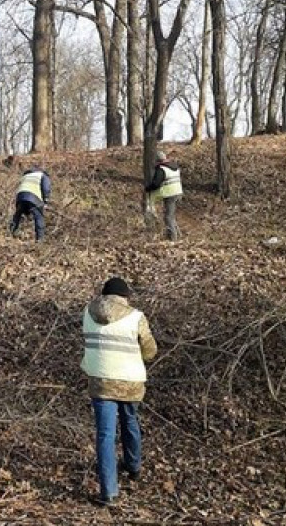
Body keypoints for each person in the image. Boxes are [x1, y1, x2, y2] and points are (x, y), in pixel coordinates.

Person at [80, 277, 158, 507]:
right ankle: (133, 467)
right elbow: (151, 350)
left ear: (104, 295)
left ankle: (109, 493)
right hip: (130, 382)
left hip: (101, 381)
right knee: (129, 421)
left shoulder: (88, 312)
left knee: (105, 434)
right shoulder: (136, 316)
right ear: (125, 297)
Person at [145, 150, 183, 240]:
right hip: (178, 192)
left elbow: (156, 184)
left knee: (168, 217)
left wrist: (148, 188)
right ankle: (178, 235)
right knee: (171, 215)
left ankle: (173, 239)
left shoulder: (161, 169)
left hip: (170, 194)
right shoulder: (175, 167)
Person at [9, 167, 51, 242]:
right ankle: (40, 239)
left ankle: (11, 233)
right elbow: (46, 188)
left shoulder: (25, 176)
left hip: (20, 196)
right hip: (34, 197)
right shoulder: (43, 175)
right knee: (39, 217)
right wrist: (46, 201)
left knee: (17, 215)